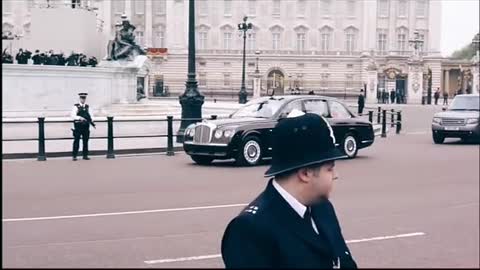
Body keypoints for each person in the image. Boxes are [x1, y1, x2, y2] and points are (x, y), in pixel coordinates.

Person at [221, 113, 357, 269]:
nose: (336, 175)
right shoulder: (250, 230)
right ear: (305, 173)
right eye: (330, 168)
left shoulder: (322, 207)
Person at [70, 93, 95, 161]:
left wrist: (90, 120)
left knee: (85, 141)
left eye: (84, 98)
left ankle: (85, 155)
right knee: (76, 141)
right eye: (82, 98)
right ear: (80, 98)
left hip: (86, 126)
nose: (83, 99)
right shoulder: (76, 107)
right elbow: (73, 116)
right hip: (78, 126)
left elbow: (92, 116)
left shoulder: (87, 107)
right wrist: (80, 118)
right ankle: (74, 156)